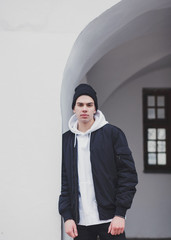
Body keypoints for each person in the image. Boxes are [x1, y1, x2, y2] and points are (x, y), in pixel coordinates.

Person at [59, 84, 138, 240]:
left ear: (95, 108)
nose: (84, 109)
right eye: (80, 104)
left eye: (89, 105)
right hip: (79, 222)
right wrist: (67, 217)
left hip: (110, 220)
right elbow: (64, 181)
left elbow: (128, 175)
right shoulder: (66, 140)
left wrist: (120, 214)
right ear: (73, 108)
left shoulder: (112, 134)